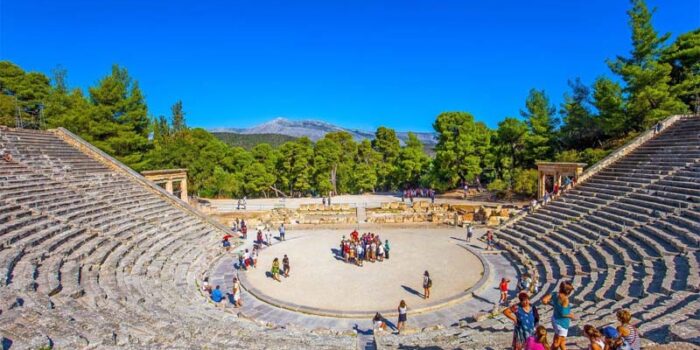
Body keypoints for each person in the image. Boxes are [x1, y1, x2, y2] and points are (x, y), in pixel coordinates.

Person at [542, 281, 575, 350]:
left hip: (555, 319)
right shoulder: (565, 300)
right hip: (562, 323)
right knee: (556, 343)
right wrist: (571, 316)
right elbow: (563, 314)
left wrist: (551, 304)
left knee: (562, 342)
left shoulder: (555, 294)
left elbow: (544, 300)